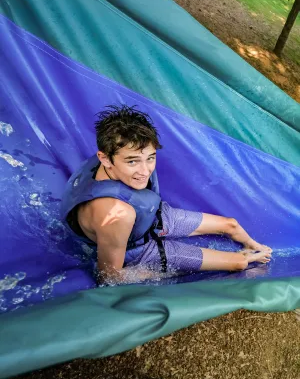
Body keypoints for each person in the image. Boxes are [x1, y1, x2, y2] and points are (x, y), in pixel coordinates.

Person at [61, 105, 272, 285]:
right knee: (238, 263)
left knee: (230, 224)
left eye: (150, 158)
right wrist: (160, 273)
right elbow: (109, 277)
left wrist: (253, 244)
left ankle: (255, 246)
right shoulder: (115, 213)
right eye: (132, 161)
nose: (145, 171)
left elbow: (137, 171)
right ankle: (246, 256)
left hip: (150, 215)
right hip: (140, 248)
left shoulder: (115, 152)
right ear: (105, 159)